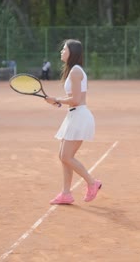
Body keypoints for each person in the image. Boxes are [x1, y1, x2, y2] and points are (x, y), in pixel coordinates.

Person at [44, 39, 100, 205]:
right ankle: (66, 193)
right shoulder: (74, 70)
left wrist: (57, 99)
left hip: (79, 116)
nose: (61, 51)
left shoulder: (75, 72)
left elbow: (76, 99)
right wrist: (58, 101)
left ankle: (92, 182)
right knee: (64, 156)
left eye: (64, 49)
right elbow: (74, 99)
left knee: (66, 156)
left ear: (72, 53)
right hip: (74, 115)